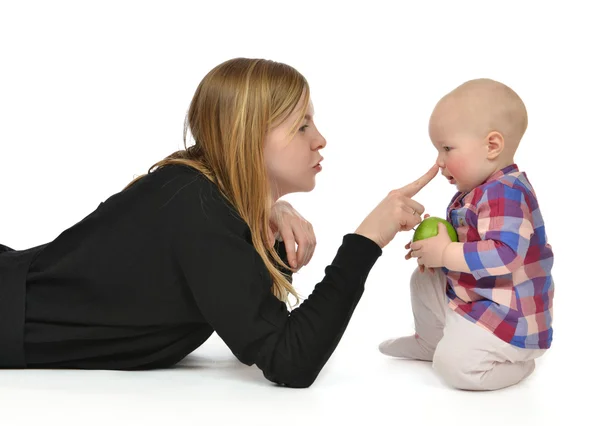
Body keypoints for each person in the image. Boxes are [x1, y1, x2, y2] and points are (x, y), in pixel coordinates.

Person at [0, 57, 438, 388]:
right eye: (302, 125)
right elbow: (289, 359)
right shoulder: (195, 206)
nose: (320, 139)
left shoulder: (205, 199)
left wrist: (265, 211)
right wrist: (365, 241)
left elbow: (257, 328)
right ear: (249, 134)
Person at [378, 78, 554, 391]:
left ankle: (519, 364)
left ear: (492, 146)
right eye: (437, 149)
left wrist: (446, 253)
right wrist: (432, 249)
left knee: (455, 369)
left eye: (446, 148)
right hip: (477, 296)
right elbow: (466, 242)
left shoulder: (506, 192)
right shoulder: (475, 191)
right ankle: (430, 342)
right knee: (423, 279)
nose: (440, 161)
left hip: (508, 316)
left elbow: (506, 254)